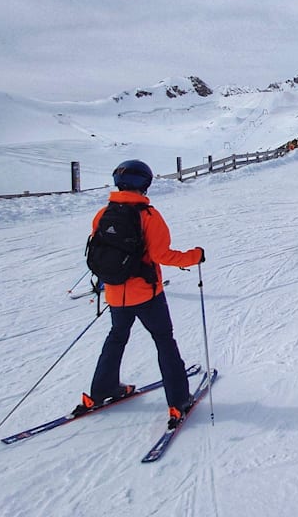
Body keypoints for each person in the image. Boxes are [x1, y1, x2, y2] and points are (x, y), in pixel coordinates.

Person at [81, 159, 206, 429]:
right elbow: (162, 255)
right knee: (164, 341)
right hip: (147, 295)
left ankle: (102, 390)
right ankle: (178, 399)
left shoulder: (103, 214)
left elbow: (100, 253)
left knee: (116, 338)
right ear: (145, 184)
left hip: (115, 294)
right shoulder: (148, 216)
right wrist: (195, 256)